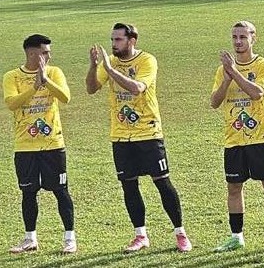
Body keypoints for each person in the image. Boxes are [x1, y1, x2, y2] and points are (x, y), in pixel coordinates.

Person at [85, 23, 191, 252]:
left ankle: (180, 233)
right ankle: (140, 235)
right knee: (129, 186)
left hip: (148, 132)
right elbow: (92, 88)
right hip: (121, 135)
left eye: (118, 40)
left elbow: (137, 88)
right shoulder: (110, 62)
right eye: (112, 40)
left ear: (132, 40)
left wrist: (110, 70)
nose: (113, 44)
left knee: (162, 182)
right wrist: (94, 67)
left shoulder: (146, 60)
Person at [210, 21, 264, 254]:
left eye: (243, 37)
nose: (238, 42)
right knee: (234, 188)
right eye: (234, 37)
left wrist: (234, 72)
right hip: (233, 139)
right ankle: (236, 237)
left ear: (253, 38)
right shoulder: (223, 70)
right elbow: (214, 102)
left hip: (260, 138)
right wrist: (226, 79)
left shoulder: (263, 65)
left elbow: (257, 93)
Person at [3, 34, 76, 254]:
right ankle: (30, 239)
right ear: (32, 53)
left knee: (61, 191)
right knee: (28, 193)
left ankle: (69, 239)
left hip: (53, 143)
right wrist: (34, 87)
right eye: (45, 52)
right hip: (25, 146)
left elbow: (65, 97)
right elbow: (12, 104)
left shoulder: (54, 72)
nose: (48, 56)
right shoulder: (12, 76)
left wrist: (46, 80)